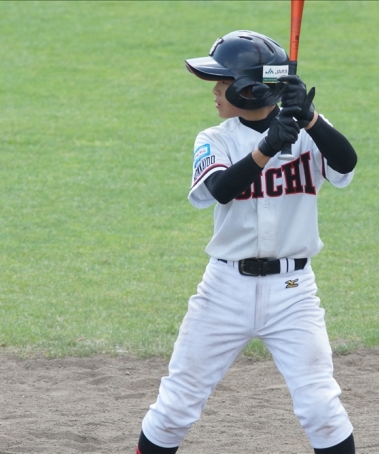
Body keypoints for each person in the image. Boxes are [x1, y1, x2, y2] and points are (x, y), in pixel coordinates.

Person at [136, 30, 358, 454]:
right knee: (175, 406)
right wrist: (267, 147)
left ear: (249, 88)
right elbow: (222, 189)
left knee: (321, 409)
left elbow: (346, 163)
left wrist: (311, 119)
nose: (214, 91)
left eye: (222, 82)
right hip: (224, 291)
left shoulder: (308, 129)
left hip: (293, 292)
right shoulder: (215, 138)